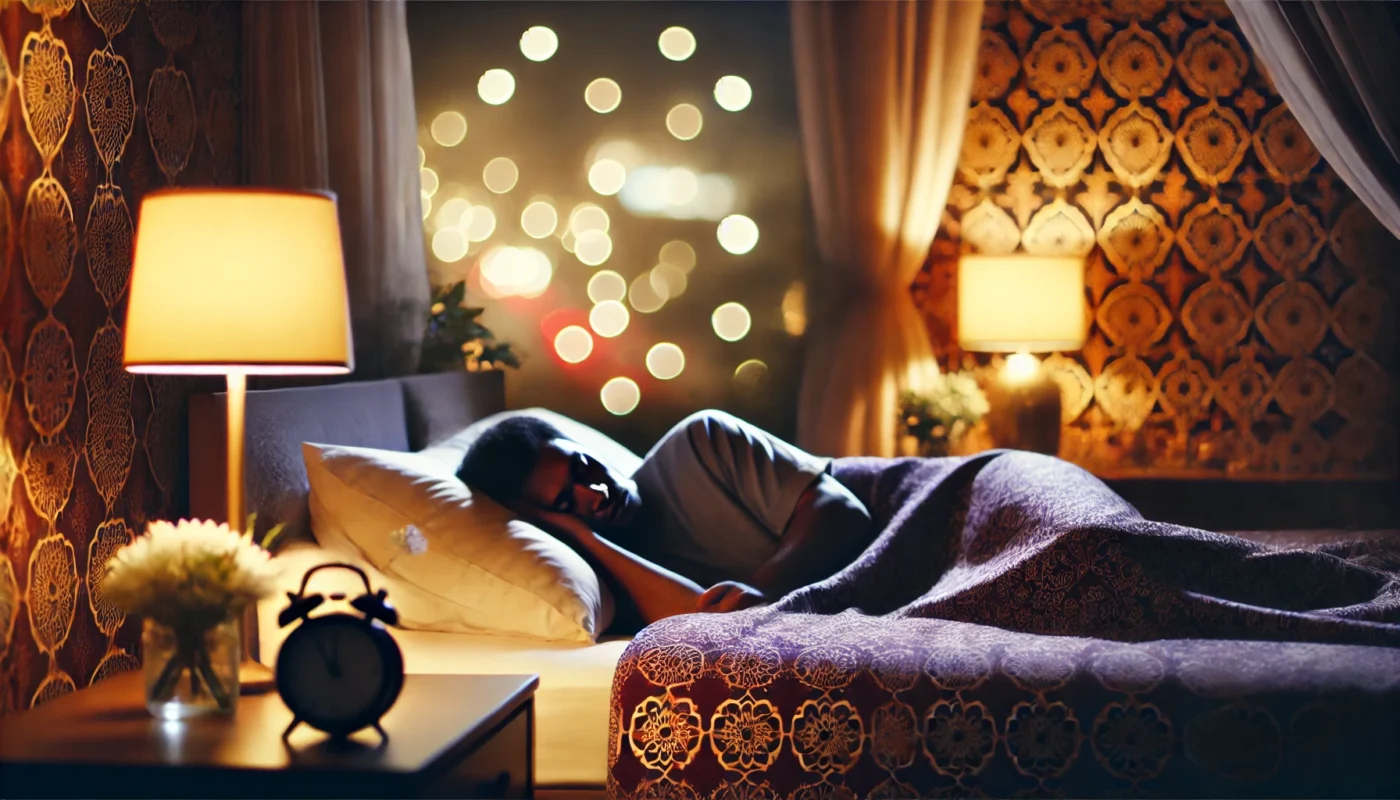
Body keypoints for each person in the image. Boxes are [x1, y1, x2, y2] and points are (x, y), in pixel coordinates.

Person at [456, 410, 874, 626]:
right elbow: (702, 625)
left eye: (583, 467)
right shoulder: (602, 579)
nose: (596, 493)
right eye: (568, 502)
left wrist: (761, 588)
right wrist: (583, 536)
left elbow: (845, 513)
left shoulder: (701, 441)